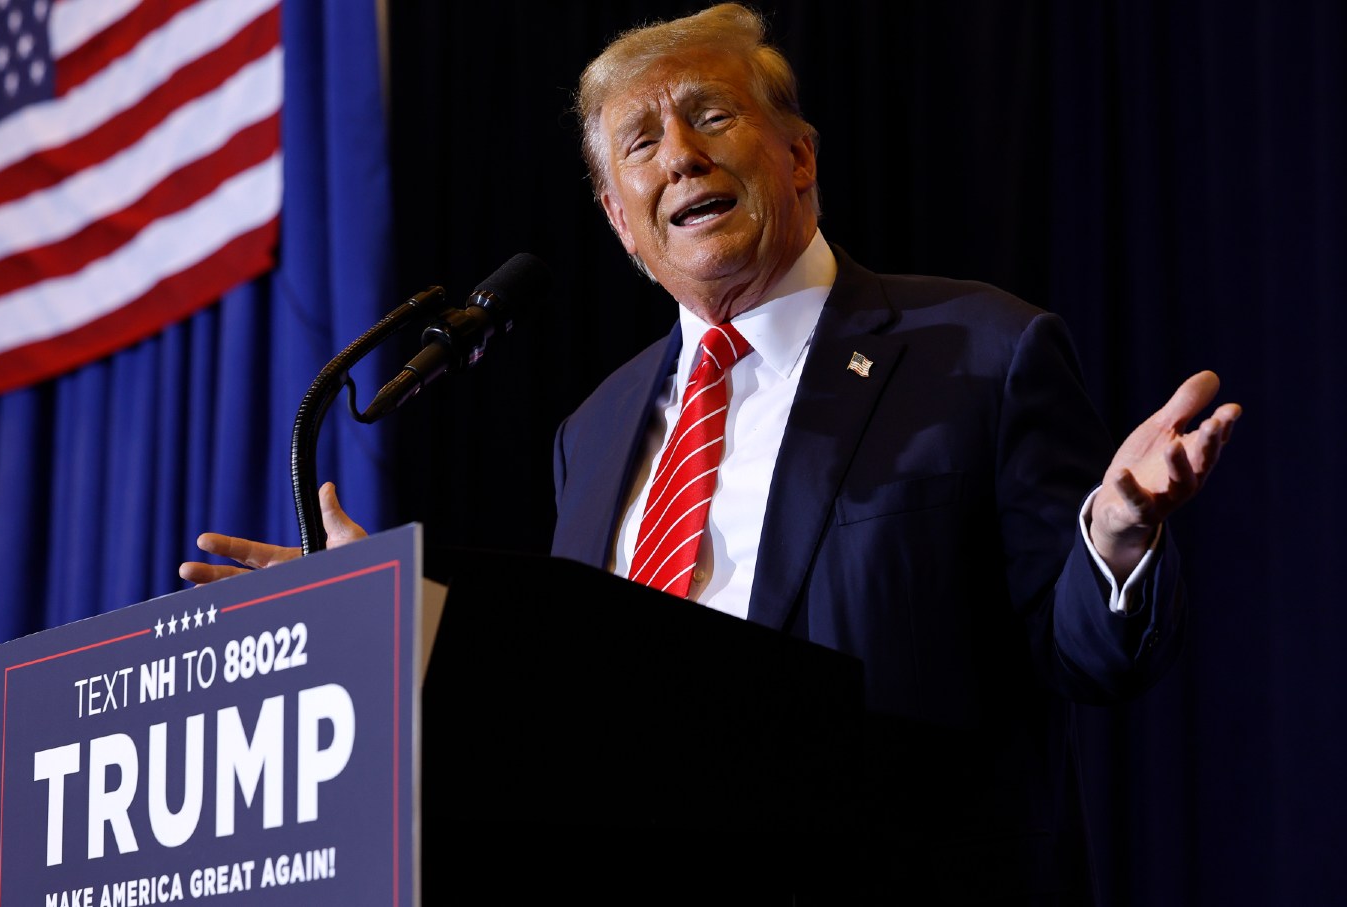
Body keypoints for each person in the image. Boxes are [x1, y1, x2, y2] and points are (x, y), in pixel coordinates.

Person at [183, 4, 1239, 901]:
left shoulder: (982, 350)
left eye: (712, 115)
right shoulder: (590, 432)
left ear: (799, 157)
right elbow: (571, 701)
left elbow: (1086, 657)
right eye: (639, 142)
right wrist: (399, 620)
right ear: (621, 224)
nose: (679, 152)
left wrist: (1115, 539)